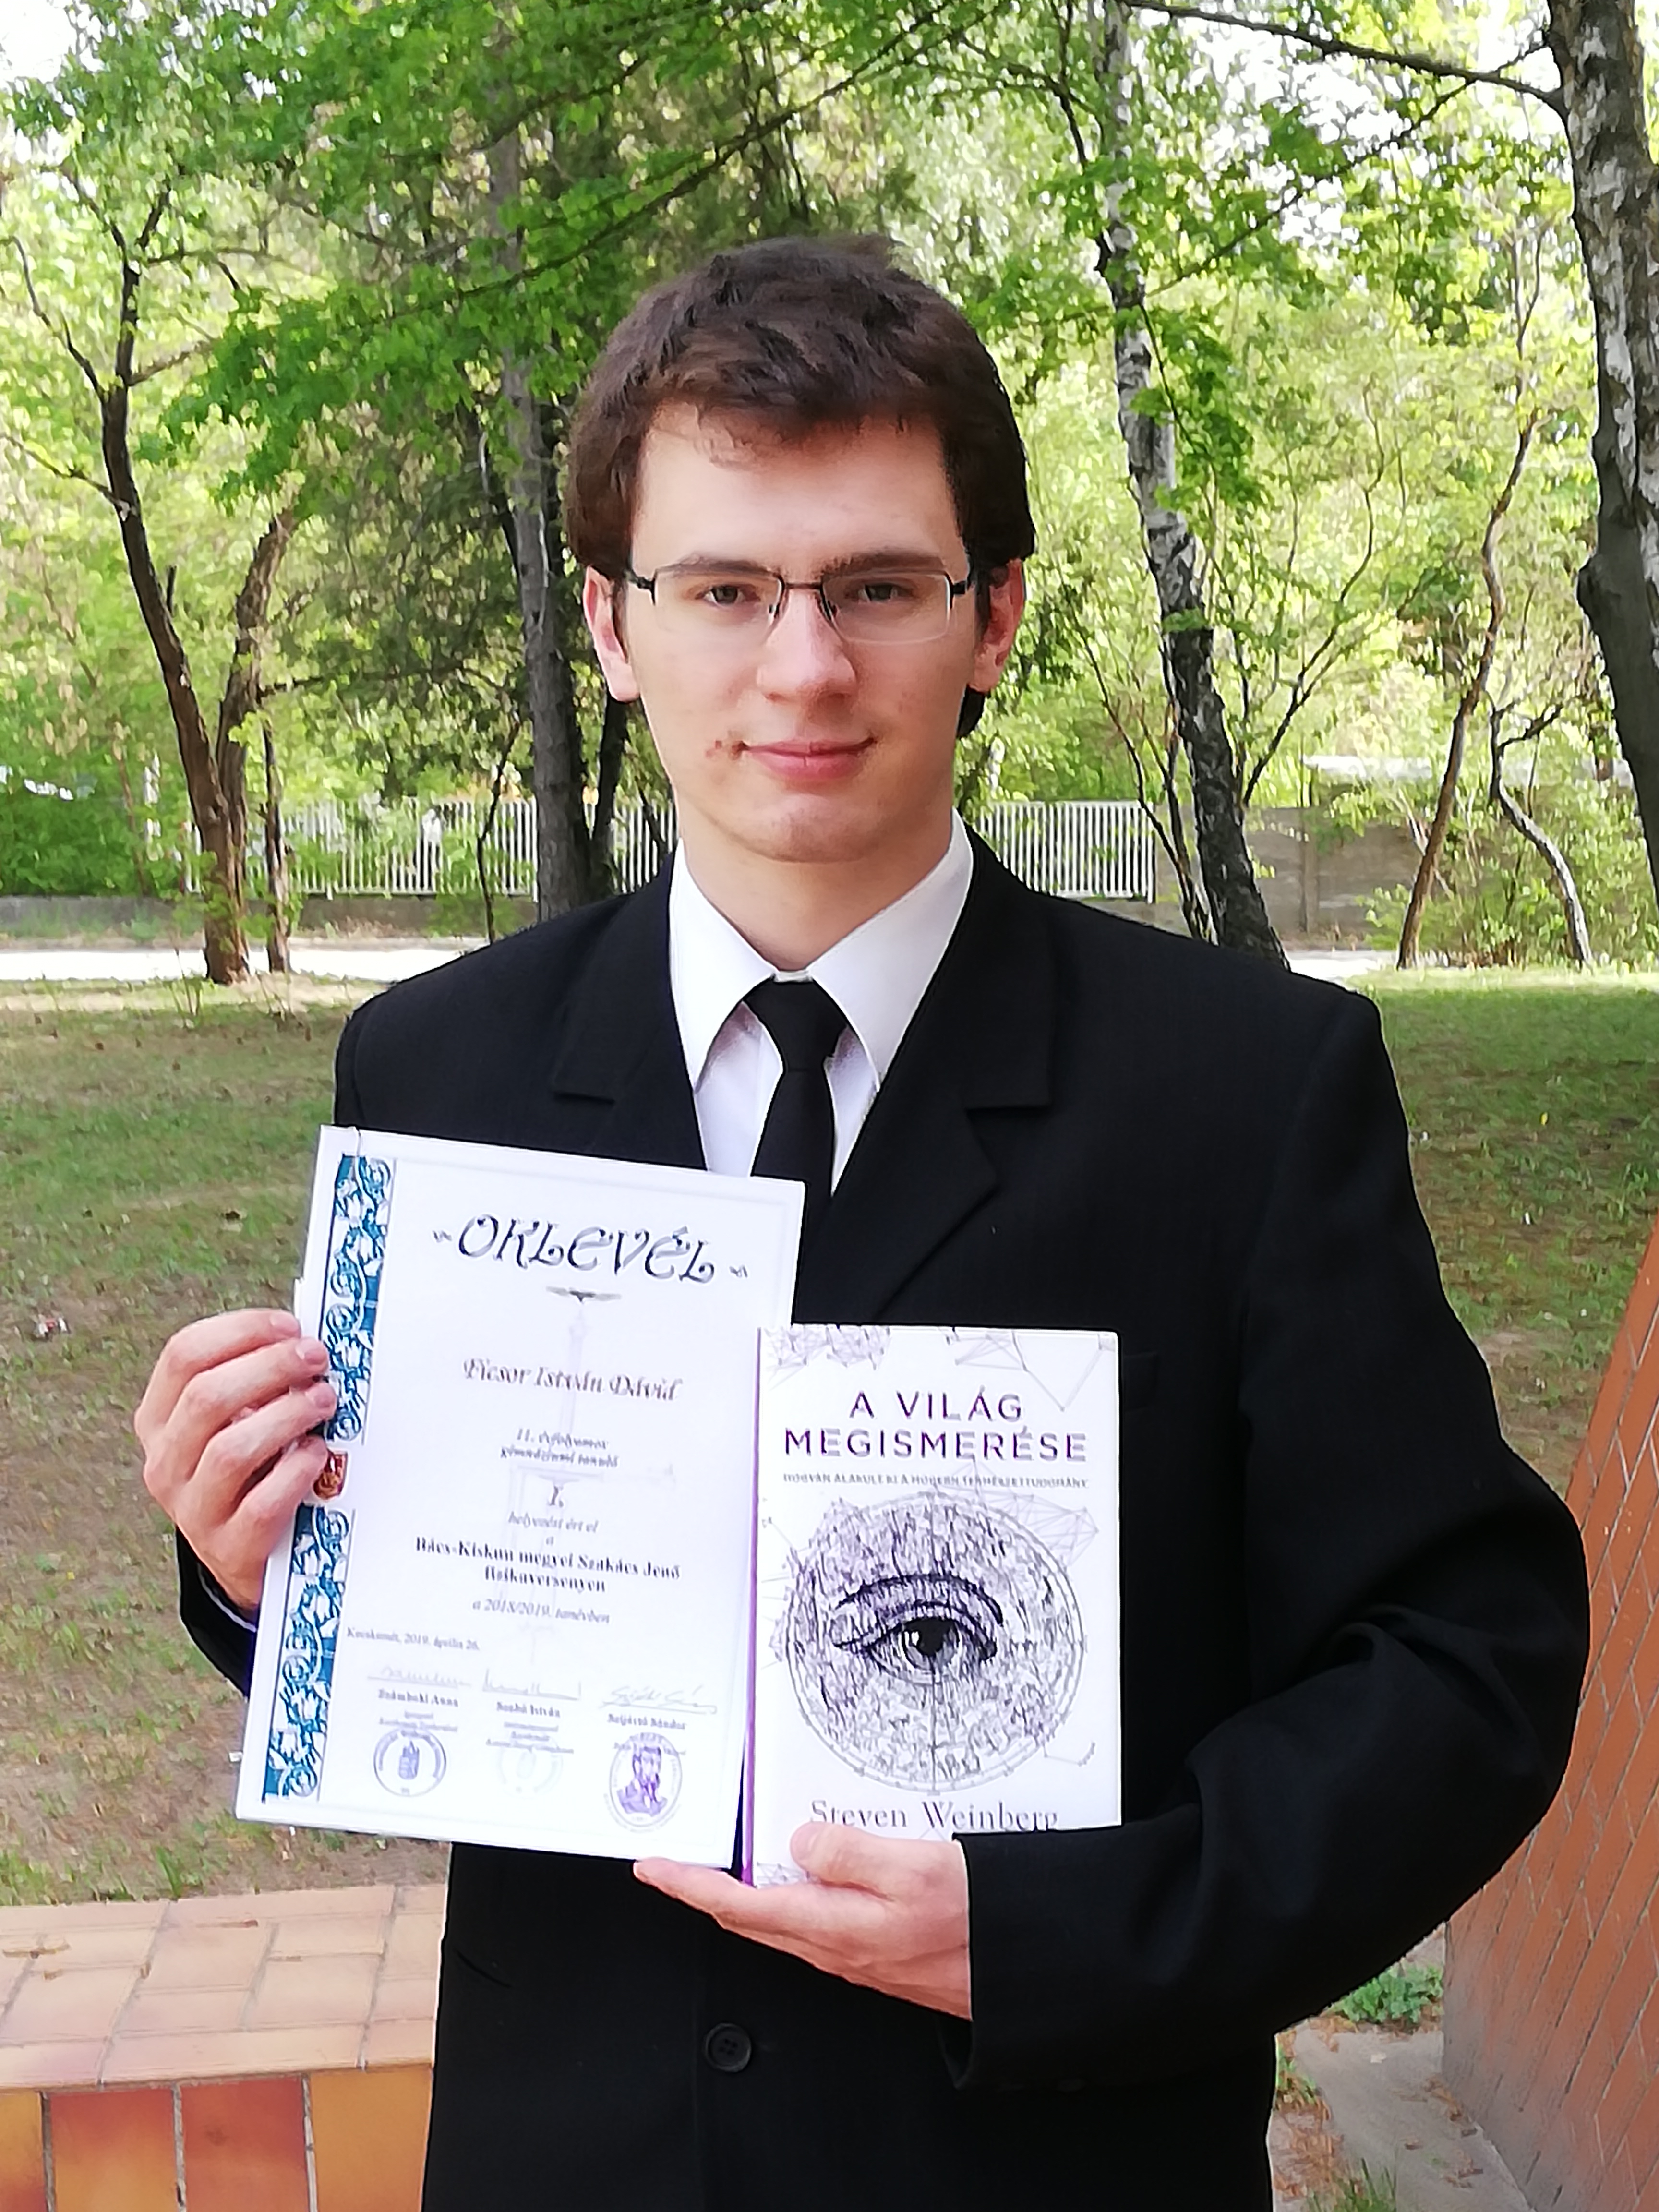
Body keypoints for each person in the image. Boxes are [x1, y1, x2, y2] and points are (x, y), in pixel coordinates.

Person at [134, 237, 1588, 2211]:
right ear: (614, 622)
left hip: (1048, 2166)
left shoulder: (1247, 1094)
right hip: (576, 2160)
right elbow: (446, 1618)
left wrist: (1071, 1931)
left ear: (994, 618)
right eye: (726, 589)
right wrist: (261, 1559)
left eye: (879, 588)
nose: (803, 666)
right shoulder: (441, 1069)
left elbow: (1466, 1659)